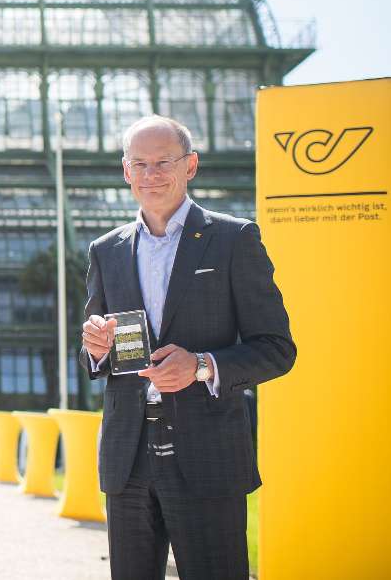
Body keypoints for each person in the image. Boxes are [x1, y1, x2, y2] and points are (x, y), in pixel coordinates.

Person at [80, 115, 295, 580]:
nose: (151, 175)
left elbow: (277, 348)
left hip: (206, 453)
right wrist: (95, 346)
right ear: (125, 171)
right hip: (127, 455)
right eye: (140, 164)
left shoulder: (234, 239)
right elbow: (98, 355)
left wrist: (201, 366)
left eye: (164, 162)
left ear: (191, 165)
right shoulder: (107, 249)